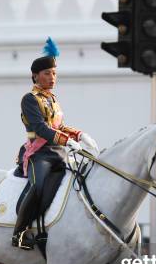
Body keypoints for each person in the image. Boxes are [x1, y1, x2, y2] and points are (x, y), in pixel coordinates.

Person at [11, 37, 98, 249]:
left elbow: (59, 125)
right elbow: (41, 128)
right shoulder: (30, 99)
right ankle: (19, 232)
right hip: (38, 153)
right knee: (38, 186)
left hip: (58, 153)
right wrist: (67, 140)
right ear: (35, 75)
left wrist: (79, 135)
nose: (52, 77)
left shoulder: (52, 99)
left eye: (54, 73)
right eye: (47, 73)